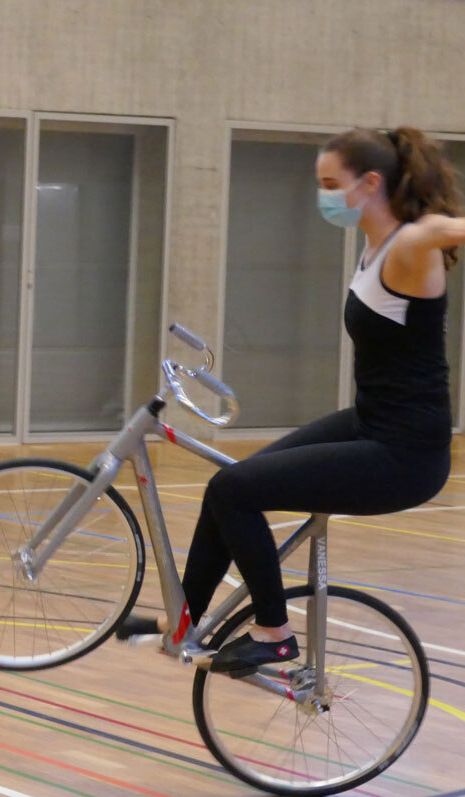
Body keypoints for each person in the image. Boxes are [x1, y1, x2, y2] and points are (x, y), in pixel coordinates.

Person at [120, 126, 464, 676]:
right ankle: (183, 622)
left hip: (407, 454)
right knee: (231, 484)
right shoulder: (374, 247)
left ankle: (275, 635)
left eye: (332, 184)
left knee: (235, 491)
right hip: (371, 424)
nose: (324, 196)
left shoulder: (410, 243)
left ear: (371, 183)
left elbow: (446, 229)